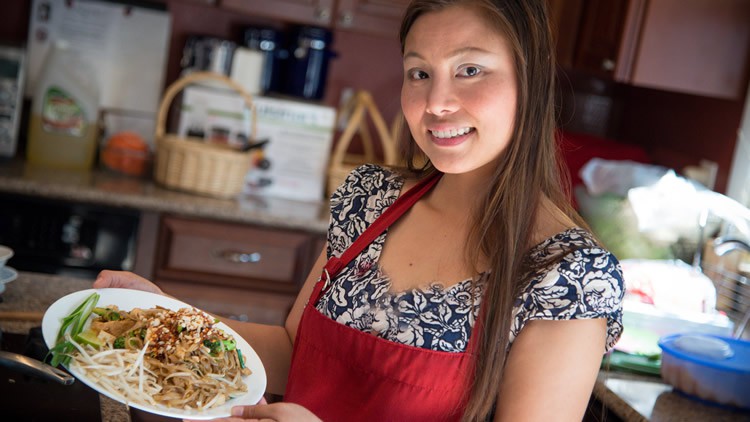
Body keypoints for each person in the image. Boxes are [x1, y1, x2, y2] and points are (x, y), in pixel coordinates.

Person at [95, 0, 624, 420]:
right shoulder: (370, 199)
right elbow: (290, 347)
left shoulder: (569, 276)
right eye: (419, 73)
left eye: (469, 69)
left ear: (529, 82)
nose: (436, 102)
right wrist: (167, 316)